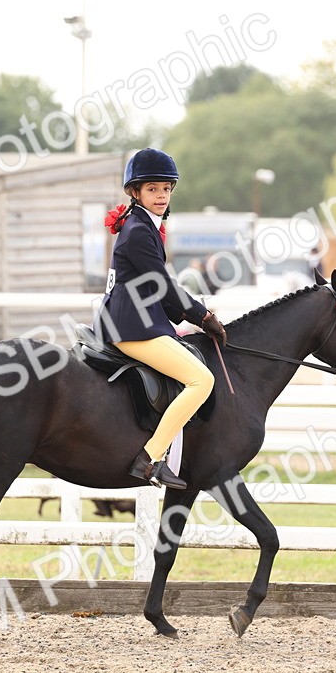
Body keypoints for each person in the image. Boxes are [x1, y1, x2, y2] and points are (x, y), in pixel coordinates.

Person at [94, 148, 227, 490]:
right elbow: (163, 285)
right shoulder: (139, 230)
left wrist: (188, 315)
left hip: (140, 318)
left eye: (166, 189)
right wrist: (203, 315)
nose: (161, 196)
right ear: (135, 192)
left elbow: (152, 289)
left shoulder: (143, 226)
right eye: (153, 189)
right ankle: (151, 459)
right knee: (201, 380)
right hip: (131, 328)